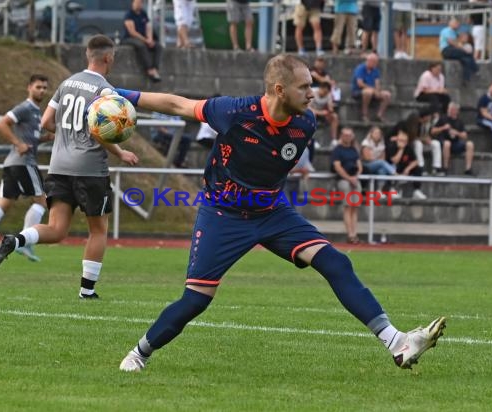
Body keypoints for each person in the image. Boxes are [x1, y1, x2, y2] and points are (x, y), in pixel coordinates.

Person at [109, 54, 445, 372]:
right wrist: (119, 93)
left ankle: (396, 342)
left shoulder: (306, 124)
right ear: (279, 90)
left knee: (335, 262)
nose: (313, 94)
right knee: (196, 300)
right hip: (223, 214)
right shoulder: (234, 112)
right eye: (305, 87)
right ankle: (138, 353)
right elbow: (176, 104)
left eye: (312, 86)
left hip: (272, 211)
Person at [0, 35, 139, 300]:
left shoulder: (66, 83)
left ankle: (16, 240)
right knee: (98, 229)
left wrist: (68, 134)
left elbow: (45, 122)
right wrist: (120, 151)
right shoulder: (105, 91)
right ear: (108, 58)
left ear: (86, 56)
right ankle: (87, 290)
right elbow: (102, 131)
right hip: (90, 169)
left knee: (56, 229)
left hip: (58, 167)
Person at [0, 74, 51, 262]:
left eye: (44, 88)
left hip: (12, 164)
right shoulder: (25, 107)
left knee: (4, 203)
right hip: (24, 163)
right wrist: (18, 143)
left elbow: (29, 139)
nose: (42, 90)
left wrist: (43, 139)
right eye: (38, 87)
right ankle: (24, 243)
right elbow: (1, 124)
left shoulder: (36, 112)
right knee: (42, 201)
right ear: (29, 87)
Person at [332, 127, 362, 244]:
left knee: (355, 208)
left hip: (354, 179)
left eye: (349, 135)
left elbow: (359, 166)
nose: (347, 137)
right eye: (345, 135)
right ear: (341, 136)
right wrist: (349, 178)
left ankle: (354, 233)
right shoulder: (337, 150)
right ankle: (350, 234)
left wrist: (356, 176)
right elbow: (337, 167)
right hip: (344, 180)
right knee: (348, 207)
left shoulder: (354, 150)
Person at [122, 0, 162, 82]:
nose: (139, 4)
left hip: (144, 39)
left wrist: (150, 39)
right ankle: (149, 69)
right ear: (133, 3)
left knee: (158, 46)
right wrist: (145, 40)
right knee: (141, 46)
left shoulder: (143, 14)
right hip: (129, 38)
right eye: (137, 2)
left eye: (140, 2)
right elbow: (132, 32)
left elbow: (148, 27)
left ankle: (155, 68)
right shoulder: (129, 15)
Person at [431, 102, 475, 175]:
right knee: (447, 143)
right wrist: (443, 128)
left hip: (456, 143)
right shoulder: (443, 118)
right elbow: (433, 131)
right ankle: (445, 168)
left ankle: (468, 168)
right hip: (444, 142)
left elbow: (465, 135)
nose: (451, 111)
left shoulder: (459, 121)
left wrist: (457, 133)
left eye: (453, 109)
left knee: (470, 144)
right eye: (450, 109)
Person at [351, 53, 391, 123]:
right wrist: (373, 89)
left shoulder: (375, 71)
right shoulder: (360, 68)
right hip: (359, 91)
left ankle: (379, 115)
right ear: (369, 61)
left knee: (387, 94)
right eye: (374, 62)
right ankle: (364, 114)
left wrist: (377, 91)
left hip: (373, 91)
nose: (376, 64)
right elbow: (360, 83)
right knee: (368, 92)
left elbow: (377, 83)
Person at [439, 17, 478, 84]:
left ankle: (466, 79)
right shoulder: (447, 30)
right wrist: (462, 48)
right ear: (451, 23)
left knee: (466, 60)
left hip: (454, 51)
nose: (458, 25)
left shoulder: (455, 32)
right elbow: (451, 42)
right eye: (457, 23)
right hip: (447, 50)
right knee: (467, 54)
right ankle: (476, 69)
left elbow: (463, 38)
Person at [414, 108, 444, 176]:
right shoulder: (416, 124)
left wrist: (429, 139)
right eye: (428, 116)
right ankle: (421, 167)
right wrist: (423, 139)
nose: (430, 118)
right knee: (417, 144)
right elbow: (412, 137)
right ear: (424, 117)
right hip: (415, 145)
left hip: (425, 144)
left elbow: (430, 135)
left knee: (436, 143)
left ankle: (436, 167)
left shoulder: (429, 124)